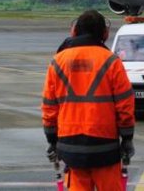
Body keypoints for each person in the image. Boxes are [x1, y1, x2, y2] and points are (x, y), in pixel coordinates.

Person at [42, 10, 135, 191]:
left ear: (74, 31)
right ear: (104, 34)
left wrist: (52, 139)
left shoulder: (58, 61)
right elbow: (125, 105)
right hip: (105, 147)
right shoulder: (111, 61)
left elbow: (49, 106)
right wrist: (127, 138)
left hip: (70, 147)